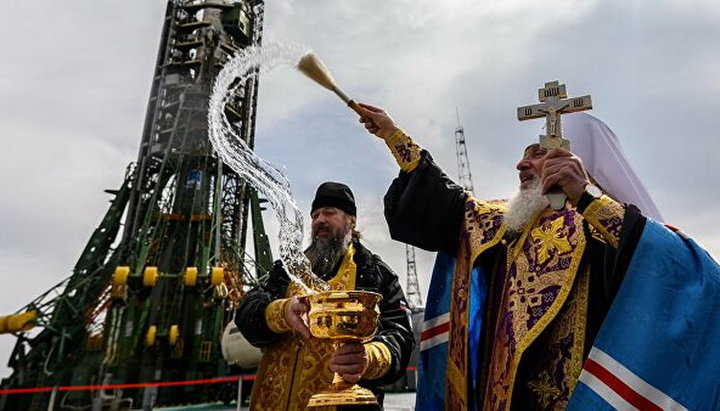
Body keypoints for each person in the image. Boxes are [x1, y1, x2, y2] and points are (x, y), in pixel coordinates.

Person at [357, 104, 720, 410]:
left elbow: (689, 278)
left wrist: (587, 198)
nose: (521, 163)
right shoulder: (506, 221)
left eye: (538, 153)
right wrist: (395, 137)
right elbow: (445, 208)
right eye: (525, 153)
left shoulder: (613, 228)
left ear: (579, 161)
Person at [236, 181, 415, 410]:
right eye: (315, 215)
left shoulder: (375, 274)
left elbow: (400, 335)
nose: (320, 220)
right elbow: (247, 311)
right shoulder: (288, 270)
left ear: (351, 220)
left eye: (329, 213)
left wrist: (370, 357)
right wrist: (282, 311)